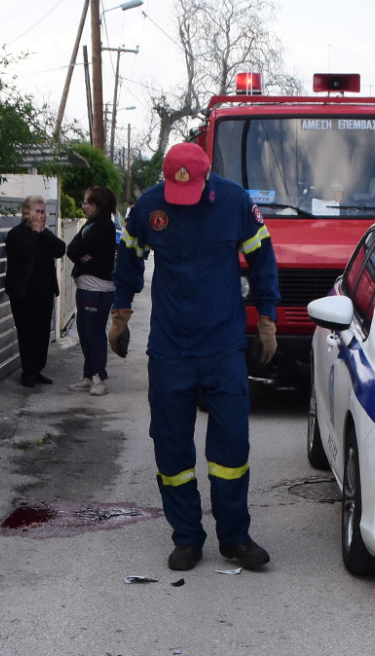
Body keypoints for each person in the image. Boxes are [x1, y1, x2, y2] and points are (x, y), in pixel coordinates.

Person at [110, 142, 280, 571]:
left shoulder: (235, 202)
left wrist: (267, 319)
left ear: (207, 178)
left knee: (231, 447)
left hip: (223, 344)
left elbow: (262, 258)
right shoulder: (149, 206)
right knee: (170, 446)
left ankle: (235, 537)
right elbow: (128, 258)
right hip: (170, 348)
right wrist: (120, 313)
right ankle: (186, 537)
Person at [4, 195, 66, 387]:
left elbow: (60, 249)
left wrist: (43, 232)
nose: (42, 216)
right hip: (24, 293)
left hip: (44, 292)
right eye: (38, 212)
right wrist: (36, 232)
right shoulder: (17, 234)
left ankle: (38, 369)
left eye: (43, 212)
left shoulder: (44, 234)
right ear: (27, 213)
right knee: (27, 332)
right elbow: (25, 251)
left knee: (42, 333)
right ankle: (28, 371)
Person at [66, 187, 119, 396]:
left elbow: (76, 248)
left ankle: (98, 378)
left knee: (94, 333)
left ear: (95, 205)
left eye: (86, 202)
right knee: (85, 333)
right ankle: (88, 375)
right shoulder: (92, 224)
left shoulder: (103, 226)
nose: (83, 205)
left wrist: (79, 253)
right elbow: (72, 248)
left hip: (97, 289)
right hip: (85, 286)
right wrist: (80, 255)